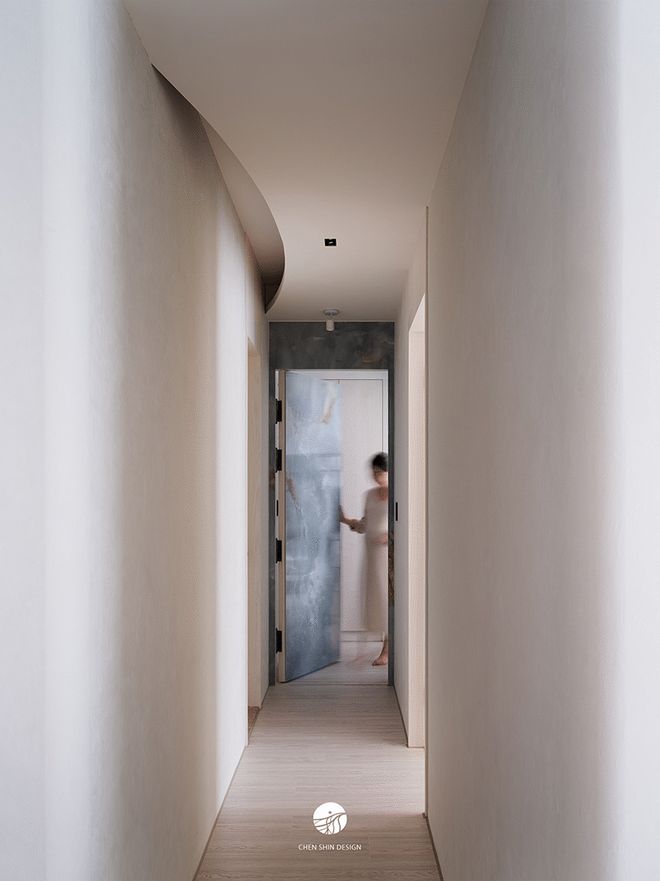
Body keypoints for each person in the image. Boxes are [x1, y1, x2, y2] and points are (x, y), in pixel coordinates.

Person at [339, 452, 389, 666]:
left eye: (381, 473)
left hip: (389, 556)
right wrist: (345, 520)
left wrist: (389, 536)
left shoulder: (398, 494)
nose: (377, 477)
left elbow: (405, 524)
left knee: (388, 600)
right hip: (371, 556)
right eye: (374, 473)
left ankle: (387, 650)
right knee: (374, 599)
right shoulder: (369, 496)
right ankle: (370, 647)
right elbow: (364, 525)